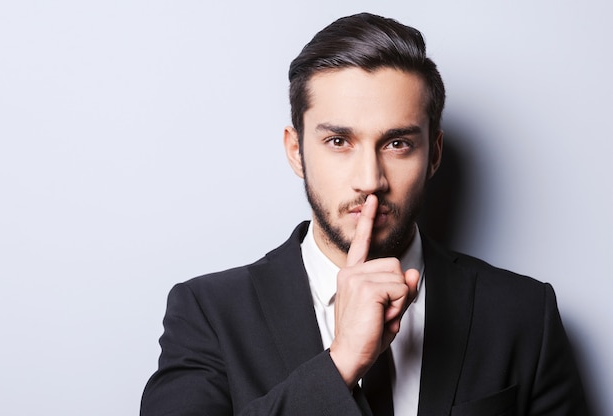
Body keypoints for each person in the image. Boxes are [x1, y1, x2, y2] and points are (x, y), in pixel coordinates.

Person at [141, 12, 589, 416]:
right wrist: (340, 363)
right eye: (339, 142)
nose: (370, 179)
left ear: (433, 154)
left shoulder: (524, 313)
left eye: (397, 144)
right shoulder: (208, 313)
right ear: (297, 152)